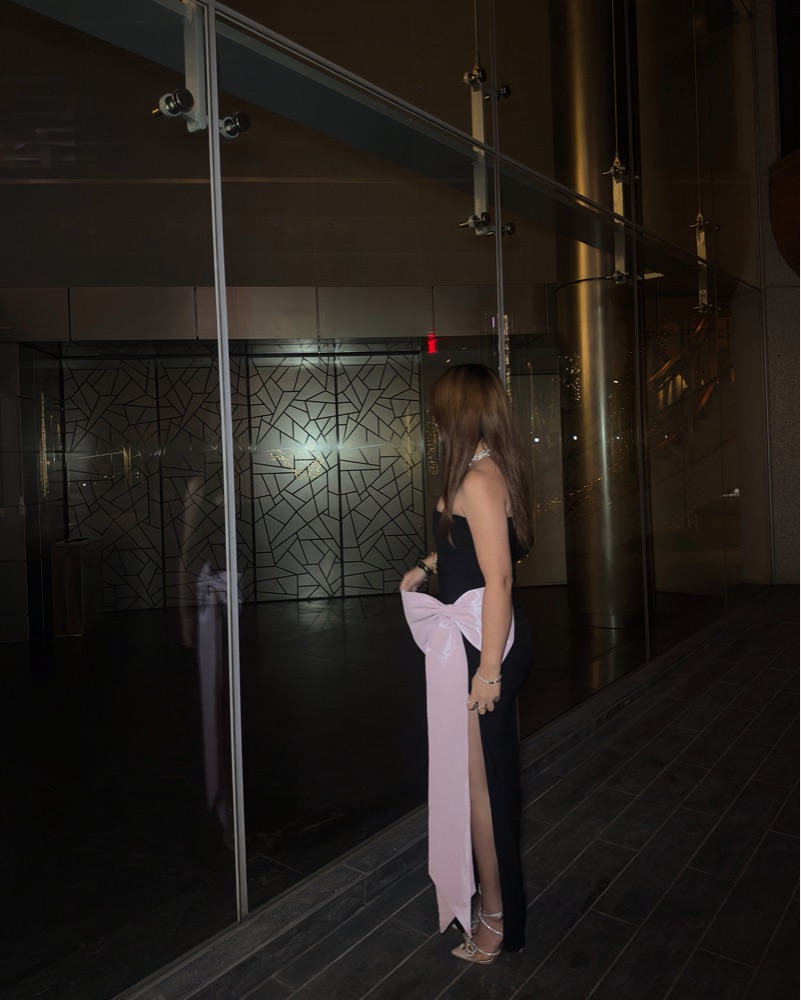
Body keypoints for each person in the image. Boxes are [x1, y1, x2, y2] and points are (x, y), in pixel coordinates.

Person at [400, 363, 533, 965]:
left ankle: (497, 919)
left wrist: (488, 672)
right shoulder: (488, 469)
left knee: (484, 790)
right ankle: (491, 907)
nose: (434, 424)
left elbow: (499, 577)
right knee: (481, 783)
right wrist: (428, 567)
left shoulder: (477, 479)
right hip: (484, 637)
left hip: (485, 643)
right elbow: (473, 547)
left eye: (439, 414)